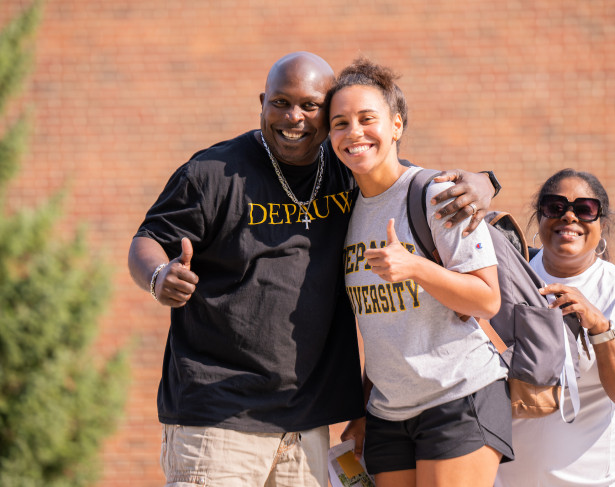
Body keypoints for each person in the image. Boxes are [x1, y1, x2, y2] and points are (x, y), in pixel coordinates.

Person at [127, 51, 500, 487]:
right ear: (262, 102)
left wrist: (483, 181)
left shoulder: (345, 169)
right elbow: (147, 240)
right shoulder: (213, 172)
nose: (294, 118)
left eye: (310, 106)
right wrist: (158, 277)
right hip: (219, 414)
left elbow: (401, 176)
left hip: (308, 425)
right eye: (281, 103)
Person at [328, 58, 513, 487]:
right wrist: (362, 409)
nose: (354, 132)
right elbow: (379, 326)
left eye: (366, 118)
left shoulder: (437, 195)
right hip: (389, 412)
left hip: (459, 394)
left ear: (396, 125)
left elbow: (487, 298)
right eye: (340, 123)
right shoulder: (346, 213)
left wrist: (415, 267)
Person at [495, 168, 615, 487]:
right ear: (540, 217)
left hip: (603, 482)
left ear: (602, 223)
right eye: (555, 207)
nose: (569, 217)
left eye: (585, 209)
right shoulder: (508, 279)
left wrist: (599, 326)